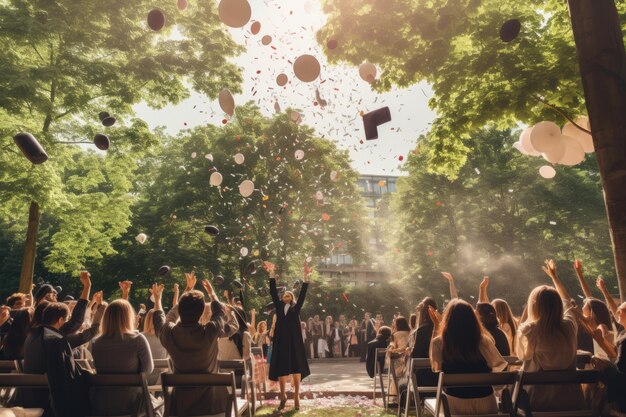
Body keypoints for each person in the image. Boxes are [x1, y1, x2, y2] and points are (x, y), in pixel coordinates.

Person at [152, 273, 239, 416]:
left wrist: (158, 300)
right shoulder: (210, 331)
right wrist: (212, 295)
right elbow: (219, 312)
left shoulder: (168, 334)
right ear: (200, 312)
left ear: (180, 310)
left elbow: (163, 318)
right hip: (214, 407)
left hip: (180, 408)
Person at [516, 260, 585, 412]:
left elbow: (521, 356)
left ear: (534, 305)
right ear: (558, 305)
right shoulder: (569, 326)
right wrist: (554, 277)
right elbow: (567, 301)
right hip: (571, 400)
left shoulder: (529, 330)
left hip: (537, 402)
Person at [429, 299, 507, 415]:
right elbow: (498, 364)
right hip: (485, 400)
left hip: (454, 402)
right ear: (473, 319)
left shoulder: (438, 343)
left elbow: (436, 368)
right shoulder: (483, 341)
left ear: (448, 319)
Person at [90, 299, 156, 416]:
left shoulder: (95, 343)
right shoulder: (137, 340)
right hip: (133, 403)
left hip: (102, 404)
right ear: (128, 317)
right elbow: (148, 369)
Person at [268, 262, 311, 410]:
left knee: (296, 367)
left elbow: (303, 295)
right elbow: (273, 291)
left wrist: (305, 278)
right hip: (280, 341)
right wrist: (271, 274)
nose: (286, 296)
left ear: (292, 298)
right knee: (281, 368)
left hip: (294, 341)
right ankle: (282, 395)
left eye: (289, 295)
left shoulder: (295, 308)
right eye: (284, 295)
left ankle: (297, 395)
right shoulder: (279, 306)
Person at [592, 301, 626, 415]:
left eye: (621, 310)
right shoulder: (622, 333)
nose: (617, 312)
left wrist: (605, 367)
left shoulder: (625, 340)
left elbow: (620, 370)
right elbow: (616, 354)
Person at [410, 297, 439, 387]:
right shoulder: (443, 328)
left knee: (403, 388)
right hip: (440, 377)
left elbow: (416, 356)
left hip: (425, 376)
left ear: (422, 313)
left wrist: (409, 352)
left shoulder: (422, 330)